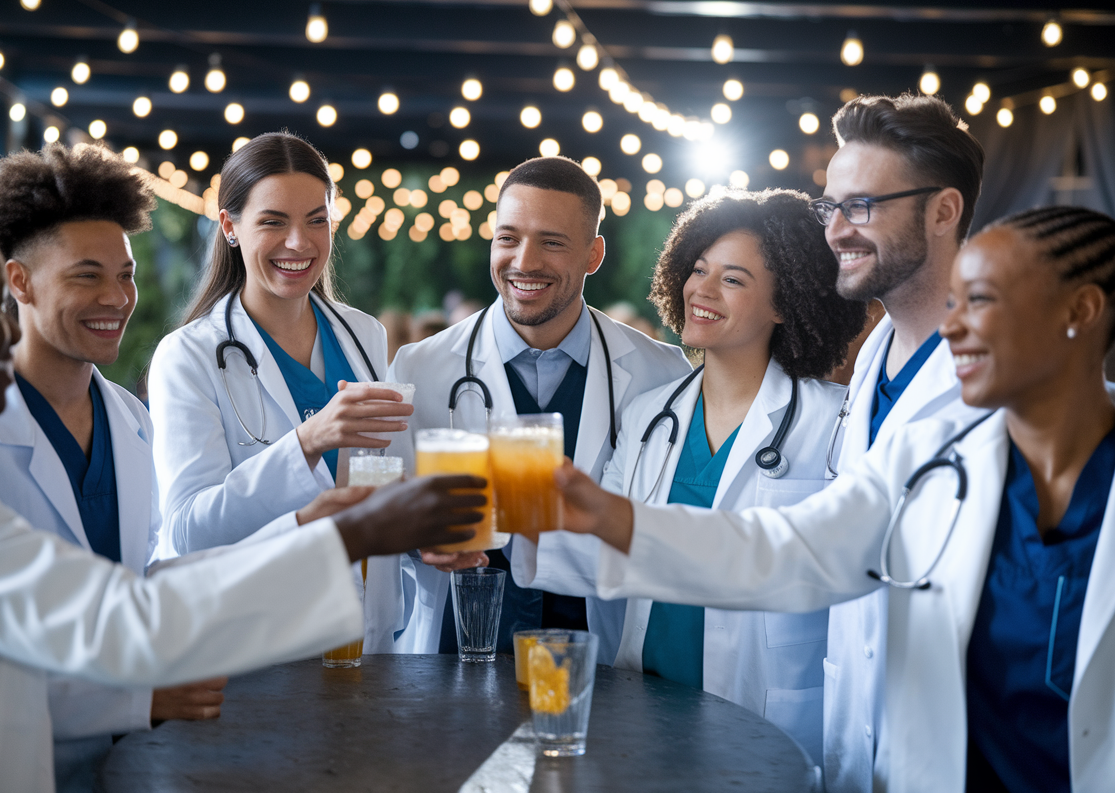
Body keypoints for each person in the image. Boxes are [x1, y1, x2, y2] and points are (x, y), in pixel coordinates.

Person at [0, 188, 483, 791]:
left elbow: (144, 585)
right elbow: (121, 620)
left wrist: (312, 526)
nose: (7, 329)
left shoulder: (115, 421)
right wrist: (354, 535)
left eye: (125, 275)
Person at [556, 205, 1115, 793]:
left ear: (1079, 311)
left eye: (983, 301)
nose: (952, 329)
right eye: (956, 303)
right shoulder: (925, 457)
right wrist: (614, 518)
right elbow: (788, 552)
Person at [513, 188, 865, 765]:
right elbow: (606, 545)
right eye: (698, 269)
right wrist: (499, 529)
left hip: (763, 708)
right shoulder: (651, 414)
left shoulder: (834, 423)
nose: (701, 289)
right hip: (648, 699)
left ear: (785, 303)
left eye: (733, 279)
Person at [0, 144, 221, 789]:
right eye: (86, 276)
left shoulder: (130, 419)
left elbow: (132, 581)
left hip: (126, 764)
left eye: (125, 275)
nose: (116, 298)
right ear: (20, 282)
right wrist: (140, 700)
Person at [387, 156, 690, 657]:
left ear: (593, 254)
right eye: (508, 238)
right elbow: (384, 510)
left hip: (601, 665)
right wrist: (416, 536)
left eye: (551, 242)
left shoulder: (663, 374)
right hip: (452, 654)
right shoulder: (420, 369)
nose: (524, 262)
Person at [147, 133, 413, 652]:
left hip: (367, 639)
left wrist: (430, 539)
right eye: (273, 221)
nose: (299, 242)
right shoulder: (189, 357)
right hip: (255, 644)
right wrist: (307, 442)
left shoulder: (365, 335)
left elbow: (382, 490)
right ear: (229, 226)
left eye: (317, 219)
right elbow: (186, 534)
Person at [812, 93, 987, 792]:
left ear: (943, 212)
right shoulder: (869, 363)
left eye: (861, 207)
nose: (835, 231)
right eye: (831, 206)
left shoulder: (1011, 380)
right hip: (855, 743)